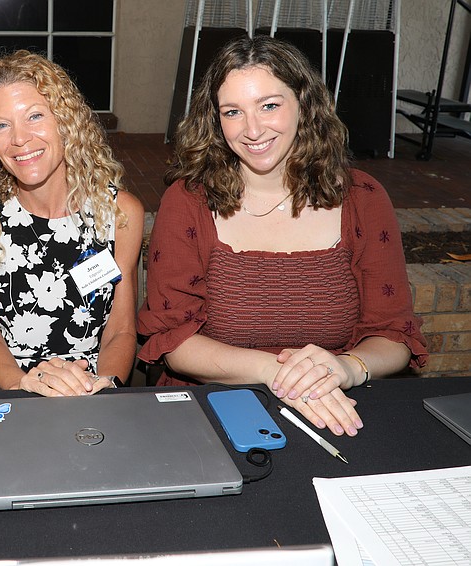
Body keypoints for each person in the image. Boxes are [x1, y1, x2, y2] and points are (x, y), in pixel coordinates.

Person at [137, 36, 426, 436]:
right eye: (233, 111)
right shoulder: (188, 202)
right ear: (215, 120)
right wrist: (280, 375)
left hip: (337, 407)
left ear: (304, 105)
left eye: (269, 105)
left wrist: (348, 367)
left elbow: (393, 333)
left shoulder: (363, 199)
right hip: (215, 413)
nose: (252, 129)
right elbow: (174, 341)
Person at [0, 50, 144, 397]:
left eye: (35, 116)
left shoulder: (119, 214)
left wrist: (104, 386)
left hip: (92, 388)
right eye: (1, 125)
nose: (19, 138)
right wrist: (20, 384)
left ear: (66, 122)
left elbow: (121, 328)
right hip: (9, 390)